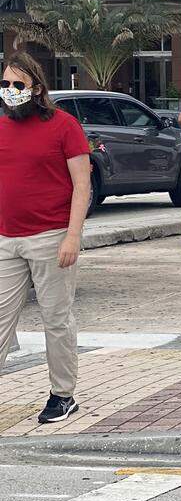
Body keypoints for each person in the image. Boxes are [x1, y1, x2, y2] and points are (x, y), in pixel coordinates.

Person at [0, 51, 90, 424]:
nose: (9, 91)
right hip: (6, 240)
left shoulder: (63, 126)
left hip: (51, 238)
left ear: (36, 88)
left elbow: (82, 187)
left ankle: (62, 395)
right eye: (4, 84)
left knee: (56, 320)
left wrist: (72, 237)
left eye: (17, 85)